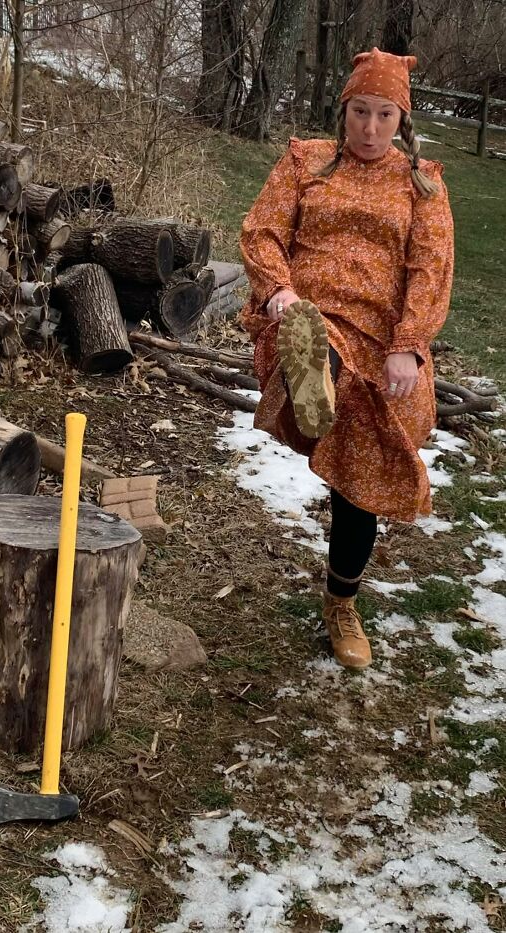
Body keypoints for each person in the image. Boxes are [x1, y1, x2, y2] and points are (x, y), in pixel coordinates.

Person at [239, 48, 454, 671]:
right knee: (315, 349)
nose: (370, 128)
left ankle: (341, 602)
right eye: (360, 111)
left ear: (402, 119)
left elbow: (431, 269)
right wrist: (278, 290)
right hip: (307, 316)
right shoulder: (305, 161)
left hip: (382, 341)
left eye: (385, 115)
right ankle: (309, 381)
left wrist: (409, 345)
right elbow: (263, 229)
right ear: (344, 110)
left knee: (362, 477)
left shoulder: (422, 183)